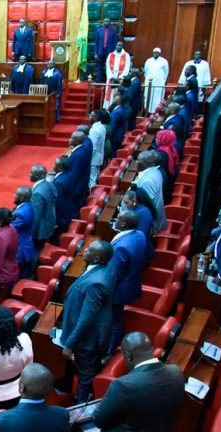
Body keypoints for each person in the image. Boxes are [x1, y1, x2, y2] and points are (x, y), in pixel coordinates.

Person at [60, 240, 116, 402]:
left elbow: (87, 318)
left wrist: (69, 345)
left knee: (85, 377)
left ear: (97, 259)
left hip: (87, 339)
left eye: (89, 250)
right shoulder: (107, 268)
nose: (85, 250)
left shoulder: (96, 283)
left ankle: (80, 408)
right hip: (91, 330)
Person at [107, 210, 148, 353]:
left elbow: (114, 274)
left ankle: (110, 349)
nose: (115, 220)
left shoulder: (122, 247)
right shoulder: (139, 235)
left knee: (113, 320)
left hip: (119, 290)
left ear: (123, 223)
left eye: (117, 219)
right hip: (131, 282)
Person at [0, 207, 20, 305]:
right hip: (11, 270)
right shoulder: (11, 228)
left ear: (0, 221)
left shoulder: (0, 238)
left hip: (2, 278)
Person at [133, 151, 166, 232]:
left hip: (148, 225)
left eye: (138, 160)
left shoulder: (146, 181)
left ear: (145, 164)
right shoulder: (155, 171)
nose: (136, 162)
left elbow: (145, 205)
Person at [28, 165, 56, 251]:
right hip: (49, 222)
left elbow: (36, 217)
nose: (29, 174)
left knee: (36, 251)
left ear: (37, 176)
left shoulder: (37, 193)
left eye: (31, 173)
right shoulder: (49, 184)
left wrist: (31, 235)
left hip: (40, 230)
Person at [12, 188, 37, 279]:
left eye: (16, 194)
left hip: (20, 249)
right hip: (27, 244)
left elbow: (10, 230)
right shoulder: (29, 205)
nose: (14, 195)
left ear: (22, 198)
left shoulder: (20, 213)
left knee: (18, 275)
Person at [51, 156, 77, 240]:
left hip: (62, 215)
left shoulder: (59, 182)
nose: (53, 166)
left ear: (60, 168)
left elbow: (58, 202)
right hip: (70, 208)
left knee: (57, 236)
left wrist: (55, 219)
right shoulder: (69, 175)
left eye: (55, 164)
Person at [67, 130, 92, 207]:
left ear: (76, 141)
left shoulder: (78, 155)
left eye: (71, 138)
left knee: (75, 207)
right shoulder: (83, 149)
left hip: (77, 188)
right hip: (82, 184)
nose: (69, 139)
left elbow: (75, 175)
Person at [103, 42, 132, 107]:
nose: (119, 46)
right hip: (111, 78)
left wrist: (120, 77)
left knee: (118, 93)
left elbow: (126, 67)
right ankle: (109, 107)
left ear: (122, 46)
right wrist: (112, 77)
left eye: (120, 45)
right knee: (110, 94)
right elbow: (108, 67)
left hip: (120, 79)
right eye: (117, 45)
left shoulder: (126, 55)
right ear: (115, 46)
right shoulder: (110, 55)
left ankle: (117, 107)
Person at [143, 48, 169, 114]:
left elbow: (166, 72)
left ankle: (157, 112)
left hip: (159, 83)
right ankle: (147, 112)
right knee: (148, 96)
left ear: (159, 53)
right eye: (154, 52)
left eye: (157, 53)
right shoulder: (148, 61)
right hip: (149, 82)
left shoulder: (164, 61)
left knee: (157, 97)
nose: (155, 54)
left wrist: (163, 80)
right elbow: (146, 71)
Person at [94, 19, 119, 83]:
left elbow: (115, 43)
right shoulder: (99, 31)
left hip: (110, 52)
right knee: (100, 67)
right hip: (101, 52)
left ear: (110, 22)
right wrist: (96, 53)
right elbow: (96, 42)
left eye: (107, 21)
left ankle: (109, 82)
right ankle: (98, 82)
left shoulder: (113, 31)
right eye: (105, 21)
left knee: (110, 68)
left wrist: (114, 53)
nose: (106, 22)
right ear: (103, 22)